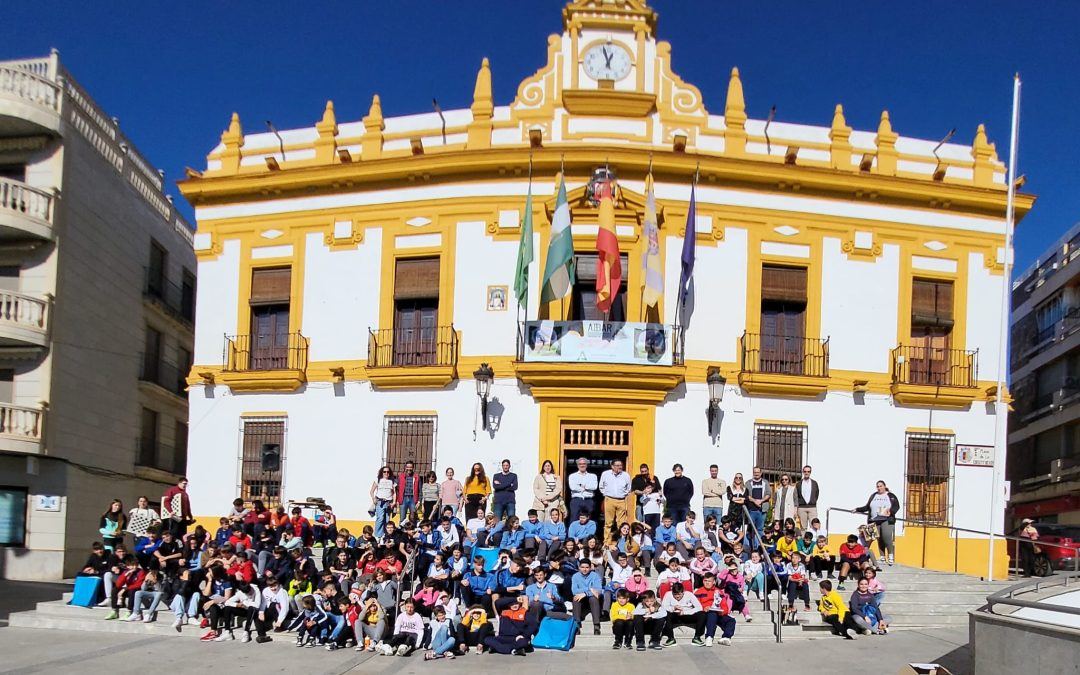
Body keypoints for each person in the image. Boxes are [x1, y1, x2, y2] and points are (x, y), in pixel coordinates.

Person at [854, 480, 900, 566]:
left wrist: (891, 512)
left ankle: (891, 556)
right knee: (879, 538)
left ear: (884, 486)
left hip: (887, 519)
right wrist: (857, 509)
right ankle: (882, 557)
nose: (879, 488)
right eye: (878, 486)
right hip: (874, 520)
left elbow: (896, 506)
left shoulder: (890, 495)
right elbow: (867, 507)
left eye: (881, 486)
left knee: (886, 537)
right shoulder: (874, 495)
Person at [571, 558, 603, 635]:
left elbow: (598, 591)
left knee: (593, 598)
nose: (584, 569)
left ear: (590, 567)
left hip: (592, 599)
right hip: (581, 599)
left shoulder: (595, 576)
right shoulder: (575, 576)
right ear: (579, 567)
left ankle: (596, 625)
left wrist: (585, 594)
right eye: (582, 567)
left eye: (587, 567)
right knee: (576, 598)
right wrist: (589, 589)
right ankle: (577, 624)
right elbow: (574, 591)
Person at [599, 459, 632, 531]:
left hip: (621, 500)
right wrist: (606, 494)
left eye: (621, 465)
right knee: (608, 522)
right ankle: (607, 538)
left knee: (621, 523)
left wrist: (624, 494)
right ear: (612, 466)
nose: (619, 467)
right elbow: (601, 486)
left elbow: (629, 488)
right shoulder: (605, 474)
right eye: (617, 465)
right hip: (609, 499)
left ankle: (621, 537)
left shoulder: (626, 475)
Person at [745, 467, 772, 549]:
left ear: (761, 473)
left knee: (760, 529)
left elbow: (768, 493)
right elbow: (746, 494)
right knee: (751, 529)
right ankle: (751, 547)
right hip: (752, 510)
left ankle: (760, 547)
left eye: (758, 472)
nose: (756, 474)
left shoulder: (765, 482)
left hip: (762, 510)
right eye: (755, 472)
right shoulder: (748, 483)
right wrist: (754, 501)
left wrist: (761, 501)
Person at [369, 466, 395, 539]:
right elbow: (371, 491)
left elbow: (394, 493)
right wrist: (373, 499)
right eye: (384, 472)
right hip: (380, 501)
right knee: (380, 519)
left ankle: (385, 535)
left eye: (388, 472)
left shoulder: (392, 481)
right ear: (382, 472)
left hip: (388, 502)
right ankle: (377, 535)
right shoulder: (378, 480)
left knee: (387, 520)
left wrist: (394, 502)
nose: (386, 473)